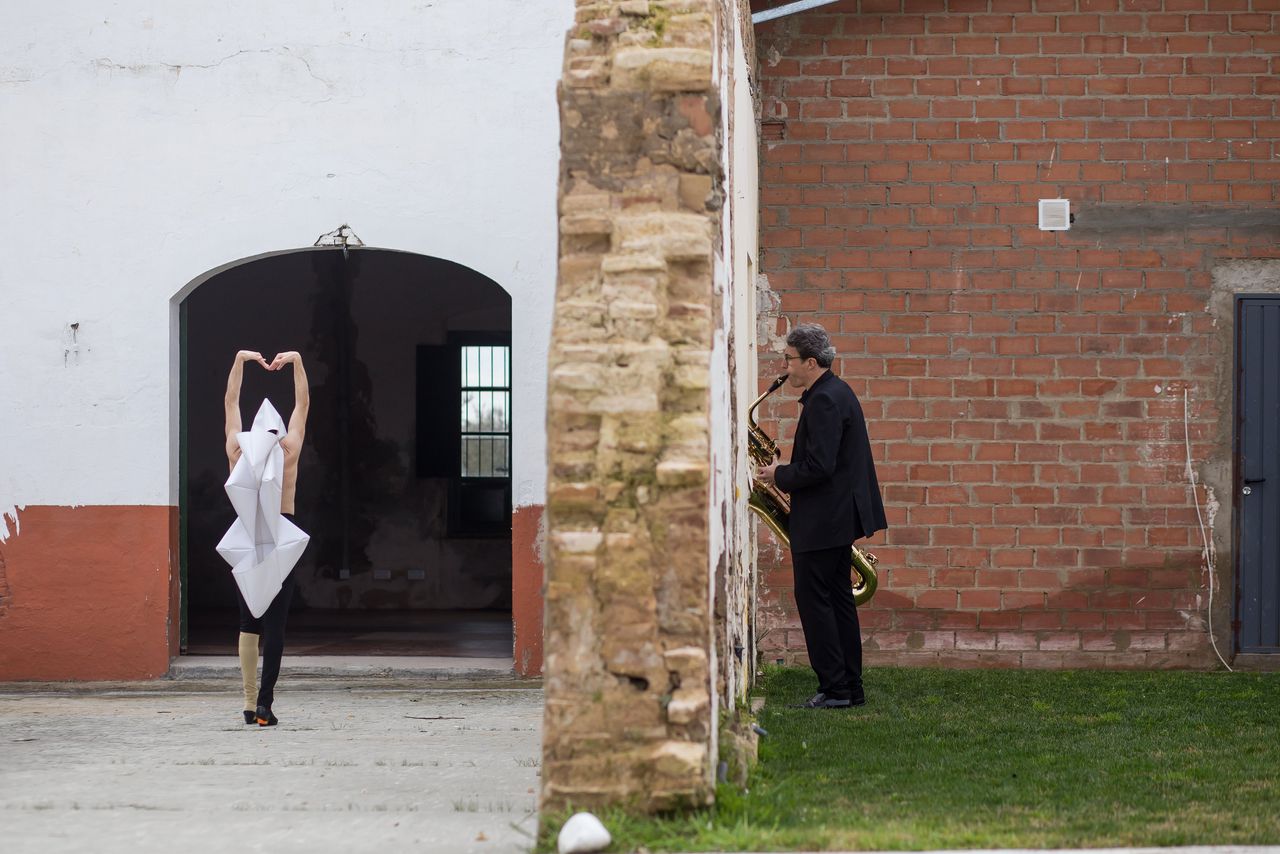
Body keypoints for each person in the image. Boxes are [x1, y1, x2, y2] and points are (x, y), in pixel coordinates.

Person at [758, 324, 887, 709]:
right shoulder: (833, 392)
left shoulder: (826, 400)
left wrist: (776, 474)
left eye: (789, 359)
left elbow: (820, 467)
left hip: (825, 519)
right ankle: (848, 687)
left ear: (810, 362)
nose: (785, 367)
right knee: (836, 601)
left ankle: (836, 689)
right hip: (833, 517)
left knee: (817, 602)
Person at [224, 349, 309, 726]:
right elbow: (303, 404)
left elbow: (230, 401)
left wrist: (240, 361)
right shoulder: (288, 449)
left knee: (248, 622)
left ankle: (246, 701)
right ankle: (264, 705)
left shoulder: (236, 448)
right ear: (277, 430)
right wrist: (297, 362)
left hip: (246, 535)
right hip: (280, 536)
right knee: (275, 625)